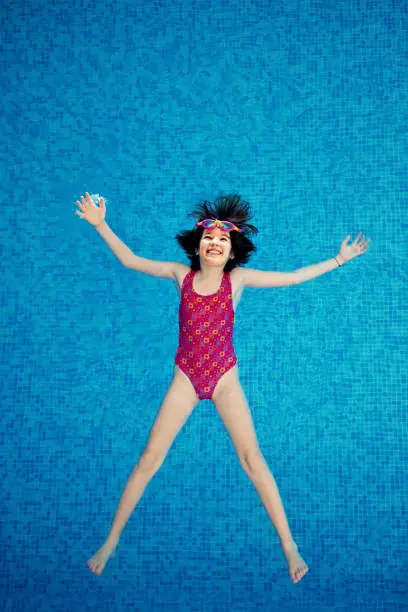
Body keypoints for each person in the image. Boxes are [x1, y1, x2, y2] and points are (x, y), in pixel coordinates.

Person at [76, 192, 370, 583]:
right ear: (197, 246)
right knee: (149, 457)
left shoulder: (239, 280)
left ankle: (288, 545)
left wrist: (338, 260)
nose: (215, 243)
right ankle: (111, 541)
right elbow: (130, 260)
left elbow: (293, 277)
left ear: (231, 251)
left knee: (252, 458)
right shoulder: (180, 276)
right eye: (209, 238)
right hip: (186, 376)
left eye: (223, 240)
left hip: (224, 378)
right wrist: (100, 224)